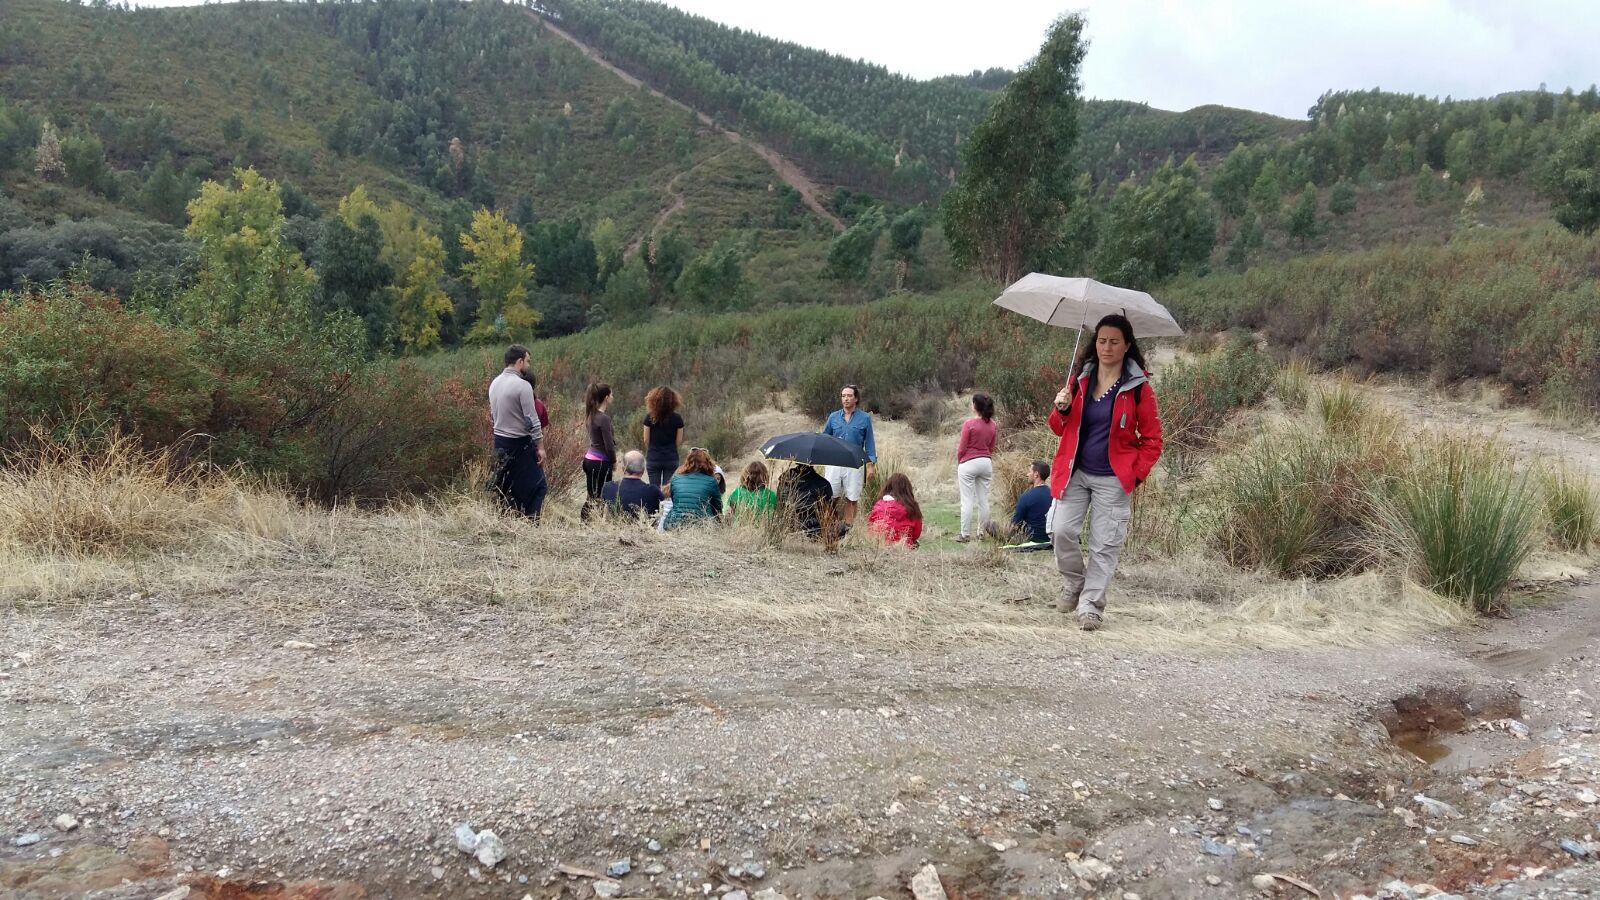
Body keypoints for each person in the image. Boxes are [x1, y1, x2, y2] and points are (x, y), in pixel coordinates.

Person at [1048, 314, 1164, 631]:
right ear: (1094, 343)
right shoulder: (1079, 380)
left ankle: (1091, 607)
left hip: (1113, 479)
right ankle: (1075, 583)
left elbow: (1153, 440)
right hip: (1075, 472)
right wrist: (1061, 408)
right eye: (1101, 340)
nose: (1107, 347)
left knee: (1104, 545)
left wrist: (1134, 474)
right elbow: (1058, 427)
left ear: (1127, 346)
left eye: (1114, 341)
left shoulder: (1139, 388)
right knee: (1060, 530)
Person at [488, 345, 546, 519]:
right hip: (520, 443)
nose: (528, 365)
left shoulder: (494, 383)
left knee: (506, 487)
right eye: (527, 361)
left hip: (499, 442)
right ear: (520, 361)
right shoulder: (523, 386)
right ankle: (531, 523)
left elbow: (493, 416)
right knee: (539, 486)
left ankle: (509, 521)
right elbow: (531, 420)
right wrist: (540, 447)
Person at [821, 383, 876, 527]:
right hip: (834, 463)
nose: (846, 399)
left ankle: (847, 528)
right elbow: (824, 438)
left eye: (849, 396)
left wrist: (871, 465)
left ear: (856, 398)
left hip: (855, 463)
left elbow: (869, 443)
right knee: (830, 497)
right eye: (843, 396)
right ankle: (828, 528)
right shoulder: (833, 417)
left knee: (852, 498)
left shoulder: (865, 418)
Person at [955, 393, 997, 542]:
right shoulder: (993, 425)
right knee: (983, 500)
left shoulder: (969, 424)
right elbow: (992, 446)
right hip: (986, 462)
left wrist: (960, 461)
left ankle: (965, 534)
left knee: (967, 500)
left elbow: (962, 448)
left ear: (975, 406)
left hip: (969, 462)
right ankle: (982, 532)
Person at [662, 448, 723, 529]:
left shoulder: (676, 479)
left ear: (688, 462)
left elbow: (675, 502)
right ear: (708, 463)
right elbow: (717, 507)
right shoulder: (711, 481)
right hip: (702, 525)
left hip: (675, 524)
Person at [581, 382, 616, 520]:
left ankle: (585, 521)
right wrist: (613, 461)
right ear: (606, 397)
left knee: (591, 495)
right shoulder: (604, 418)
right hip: (601, 462)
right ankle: (596, 522)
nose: (612, 397)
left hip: (589, 460)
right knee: (602, 496)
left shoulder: (590, 415)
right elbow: (609, 445)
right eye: (611, 394)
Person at [600, 450, 663, 521]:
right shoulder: (653, 491)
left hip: (615, 526)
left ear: (623, 469)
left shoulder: (608, 487)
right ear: (643, 470)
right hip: (643, 526)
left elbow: (603, 513)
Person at [642, 386, 685, 488]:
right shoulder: (678, 419)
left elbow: (646, 439)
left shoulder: (649, 417)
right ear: (673, 401)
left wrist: (654, 448)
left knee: (654, 488)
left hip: (654, 457)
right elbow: (678, 441)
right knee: (668, 489)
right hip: (671, 457)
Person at [867, 473, 924, 547]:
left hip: (879, 546)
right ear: (908, 490)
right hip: (903, 546)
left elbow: (870, 528)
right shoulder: (911, 507)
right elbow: (916, 534)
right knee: (915, 543)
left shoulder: (878, 505)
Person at [776, 464, 833, 538]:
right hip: (816, 529)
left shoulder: (785, 480)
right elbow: (828, 509)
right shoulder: (823, 483)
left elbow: (779, 506)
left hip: (788, 529)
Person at [1008, 460, 1054, 547]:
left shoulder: (1026, 496)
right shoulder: (1054, 495)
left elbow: (1015, 523)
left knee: (991, 526)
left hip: (1033, 538)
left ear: (1036, 474)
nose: (1027, 474)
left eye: (1029, 471)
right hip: (1052, 537)